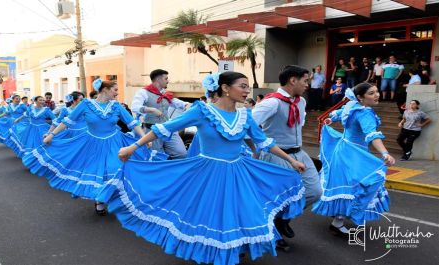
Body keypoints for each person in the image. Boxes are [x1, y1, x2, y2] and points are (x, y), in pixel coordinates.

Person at [97, 71, 306, 265]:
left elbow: (264, 142)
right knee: (209, 213)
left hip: (238, 171)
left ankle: (231, 249)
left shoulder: (246, 116)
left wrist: (291, 160)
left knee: (237, 211)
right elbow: (164, 129)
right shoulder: (202, 110)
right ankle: (213, 251)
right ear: (225, 88)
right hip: (207, 171)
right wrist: (133, 147)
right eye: (242, 86)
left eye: (247, 87)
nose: (246, 91)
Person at [22, 79, 166, 215]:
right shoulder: (86, 104)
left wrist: (143, 137)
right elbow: (67, 121)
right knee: (97, 170)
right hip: (92, 144)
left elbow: (131, 124)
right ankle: (99, 200)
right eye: (115, 90)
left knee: (114, 168)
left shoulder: (116, 106)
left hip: (114, 143)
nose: (117, 93)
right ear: (105, 90)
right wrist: (51, 134)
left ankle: (112, 197)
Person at [252, 65, 322, 251]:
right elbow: (248, 127)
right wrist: (254, 151)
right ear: (293, 80)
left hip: (300, 153)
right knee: (277, 199)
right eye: (305, 80)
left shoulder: (301, 102)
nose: (308, 84)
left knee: (314, 191)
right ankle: (272, 233)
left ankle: (282, 220)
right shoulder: (271, 103)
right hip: (276, 155)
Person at [313, 83, 395, 237]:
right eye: (371, 93)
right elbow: (372, 135)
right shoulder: (364, 113)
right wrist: (384, 153)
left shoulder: (352, 105)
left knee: (345, 185)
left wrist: (331, 119)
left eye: (377, 91)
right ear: (360, 97)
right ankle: (337, 223)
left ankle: (339, 217)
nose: (377, 95)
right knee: (357, 186)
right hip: (354, 154)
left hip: (343, 149)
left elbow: (336, 114)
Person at [131, 69, 189, 159]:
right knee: (157, 157)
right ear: (158, 79)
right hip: (152, 130)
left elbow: (177, 102)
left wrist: (186, 104)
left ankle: (172, 168)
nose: (168, 81)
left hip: (168, 128)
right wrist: (151, 109)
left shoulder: (165, 94)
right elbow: (134, 107)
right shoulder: (143, 92)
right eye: (166, 78)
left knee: (181, 153)